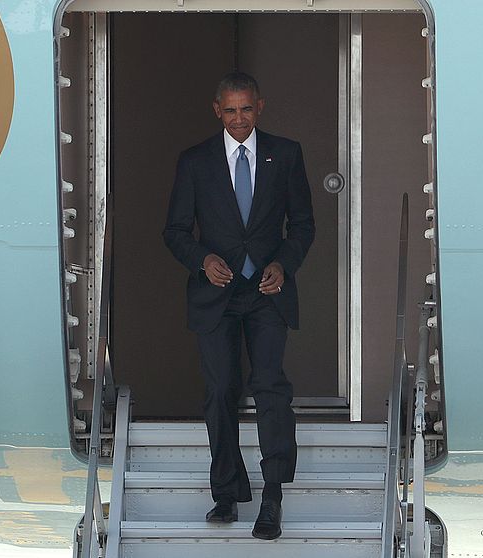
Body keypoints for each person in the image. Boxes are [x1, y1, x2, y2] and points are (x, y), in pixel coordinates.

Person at [162, 71, 315, 540]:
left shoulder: (285, 154)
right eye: (230, 111)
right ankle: (227, 492)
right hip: (216, 295)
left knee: (270, 389)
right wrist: (202, 259)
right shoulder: (195, 161)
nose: (238, 119)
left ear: (260, 107)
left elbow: (303, 225)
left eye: (246, 109)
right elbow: (175, 231)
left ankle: (272, 495)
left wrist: (283, 265)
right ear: (216, 110)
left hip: (267, 293)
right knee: (220, 392)